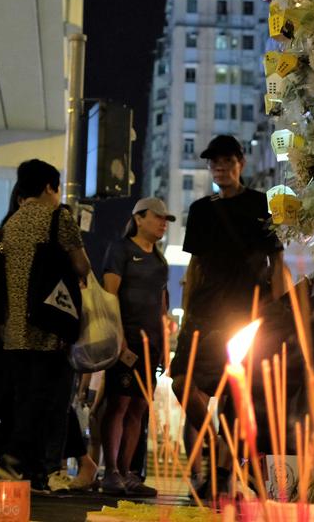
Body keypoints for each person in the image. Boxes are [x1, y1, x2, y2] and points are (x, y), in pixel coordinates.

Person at [168, 135, 284, 498]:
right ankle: (219, 444)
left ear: (241, 163)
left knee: (237, 394)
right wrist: (186, 312)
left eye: (227, 161)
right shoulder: (201, 209)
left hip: (246, 311)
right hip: (204, 311)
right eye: (214, 162)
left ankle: (220, 476)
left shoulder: (261, 203)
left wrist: (282, 313)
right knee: (182, 383)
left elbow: (277, 261)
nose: (220, 167)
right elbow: (195, 264)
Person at [0, 160, 91, 492]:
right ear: (50, 187)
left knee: (26, 399)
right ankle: (30, 466)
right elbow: (81, 265)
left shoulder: (11, 223)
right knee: (53, 403)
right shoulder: (58, 217)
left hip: (15, 331)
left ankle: (29, 471)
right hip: (50, 327)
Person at [99, 197, 172, 498]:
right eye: (158, 217)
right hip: (125, 340)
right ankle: (111, 472)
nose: (163, 223)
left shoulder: (160, 259)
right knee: (119, 403)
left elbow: (163, 305)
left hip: (151, 344)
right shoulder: (121, 251)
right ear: (139, 218)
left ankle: (127, 472)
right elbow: (109, 294)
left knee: (140, 407)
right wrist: (118, 336)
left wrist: (165, 347)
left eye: (166, 219)